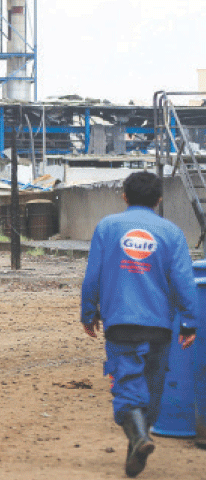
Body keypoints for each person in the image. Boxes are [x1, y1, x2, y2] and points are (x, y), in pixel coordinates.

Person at [81, 171, 198, 477]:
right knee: (153, 388)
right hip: (160, 324)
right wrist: (189, 321)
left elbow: (92, 275)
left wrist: (88, 312)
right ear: (159, 200)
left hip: (119, 322)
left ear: (124, 196)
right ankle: (140, 438)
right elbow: (184, 281)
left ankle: (138, 437)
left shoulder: (107, 227)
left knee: (126, 383)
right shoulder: (171, 232)